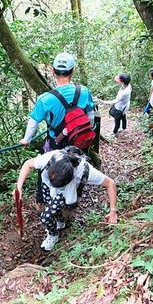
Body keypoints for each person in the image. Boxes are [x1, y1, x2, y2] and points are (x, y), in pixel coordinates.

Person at [19, 53, 95, 212]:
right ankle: (71, 201)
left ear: (53, 71)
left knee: (45, 168)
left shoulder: (45, 99)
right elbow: (90, 118)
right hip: (78, 142)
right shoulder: (83, 91)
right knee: (76, 167)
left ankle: (42, 201)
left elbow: (33, 122)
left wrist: (26, 140)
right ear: (72, 71)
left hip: (56, 143)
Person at [12, 147, 118, 251]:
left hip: (65, 192)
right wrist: (19, 187)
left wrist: (113, 211)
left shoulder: (84, 170)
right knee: (49, 203)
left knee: (46, 217)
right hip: (46, 184)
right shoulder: (50, 158)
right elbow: (27, 164)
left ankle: (53, 236)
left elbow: (110, 183)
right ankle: (60, 221)